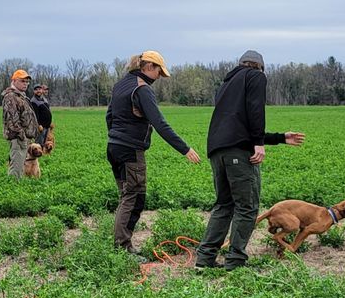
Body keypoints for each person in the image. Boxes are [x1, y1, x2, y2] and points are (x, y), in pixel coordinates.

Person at [195, 50, 305, 271]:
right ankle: (235, 262)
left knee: (224, 205)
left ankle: (204, 260)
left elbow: (239, 127)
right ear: (259, 66)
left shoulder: (226, 85)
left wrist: (280, 138)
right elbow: (256, 110)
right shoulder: (256, 76)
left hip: (218, 152)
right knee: (247, 206)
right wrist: (258, 144)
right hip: (239, 154)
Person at [106, 50, 201, 255]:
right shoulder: (142, 90)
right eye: (159, 72)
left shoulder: (120, 85)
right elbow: (160, 123)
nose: (159, 77)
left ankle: (120, 244)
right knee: (134, 197)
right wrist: (185, 149)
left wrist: (116, 137)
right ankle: (123, 247)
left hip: (114, 147)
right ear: (148, 67)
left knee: (126, 196)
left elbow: (109, 116)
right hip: (131, 150)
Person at [2, 69, 39, 179]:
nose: (26, 84)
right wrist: (22, 136)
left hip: (24, 138)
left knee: (21, 165)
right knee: (16, 166)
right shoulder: (11, 96)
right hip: (18, 138)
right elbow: (12, 121)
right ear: (14, 81)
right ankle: (13, 188)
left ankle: (17, 186)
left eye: (27, 82)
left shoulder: (20, 96)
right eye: (23, 81)